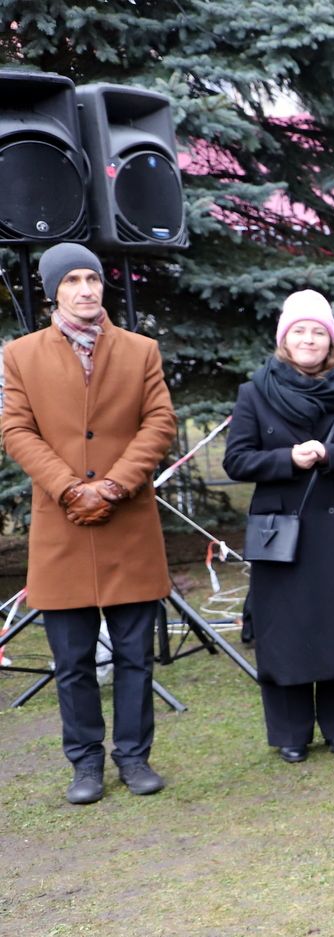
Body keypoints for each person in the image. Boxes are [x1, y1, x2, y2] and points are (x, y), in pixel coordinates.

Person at [0, 243, 177, 803]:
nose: (86, 289)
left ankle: (134, 757)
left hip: (129, 520)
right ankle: (85, 765)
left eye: (93, 278)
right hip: (63, 523)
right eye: (73, 279)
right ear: (53, 290)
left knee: (134, 655)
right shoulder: (21, 355)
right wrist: (71, 488)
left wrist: (115, 484)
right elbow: (16, 431)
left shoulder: (140, 350)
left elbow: (160, 422)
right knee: (72, 661)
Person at [223, 292, 334, 762]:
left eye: (318, 331)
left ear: (330, 341)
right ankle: (291, 732)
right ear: (284, 339)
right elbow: (236, 459)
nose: (309, 339)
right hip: (281, 532)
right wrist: (286, 459)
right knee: (285, 631)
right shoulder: (255, 392)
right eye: (299, 331)